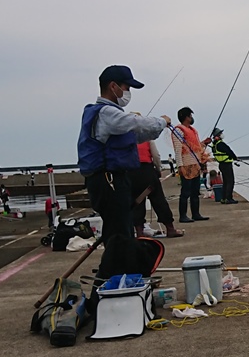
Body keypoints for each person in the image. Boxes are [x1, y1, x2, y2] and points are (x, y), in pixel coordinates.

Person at [77, 64, 171, 279]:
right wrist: (162, 121)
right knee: (119, 237)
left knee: (120, 232)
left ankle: (120, 278)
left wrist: (154, 129)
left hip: (112, 180)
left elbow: (135, 134)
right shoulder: (107, 112)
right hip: (108, 180)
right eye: (126, 87)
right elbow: (133, 123)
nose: (128, 92)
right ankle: (111, 282)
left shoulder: (107, 116)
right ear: (113, 86)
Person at [132, 137, 182, 238]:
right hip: (147, 172)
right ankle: (170, 228)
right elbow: (156, 155)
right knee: (158, 200)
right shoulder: (146, 138)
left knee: (137, 202)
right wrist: (158, 168)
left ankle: (139, 232)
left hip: (131, 173)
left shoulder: (123, 138)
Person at [173, 107, 210, 223]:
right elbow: (178, 150)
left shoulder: (192, 131)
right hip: (186, 165)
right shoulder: (178, 131)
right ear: (186, 117)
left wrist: (204, 143)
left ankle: (196, 213)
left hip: (195, 165)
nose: (192, 118)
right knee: (185, 192)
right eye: (190, 116)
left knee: (195, 191)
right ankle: (183, 216)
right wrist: (180, 166)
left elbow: (195, 148)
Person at [210, 127, 240, 203]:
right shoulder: (220, 144)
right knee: (230, 181)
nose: (222, 135)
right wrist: (235, 157)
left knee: (226, 182)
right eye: (220, 134)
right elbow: (229, 151)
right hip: (226, 165)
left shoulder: (214, 145)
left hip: (222, 165)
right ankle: (228, 198)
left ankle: (223, 198)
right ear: (217, 136)